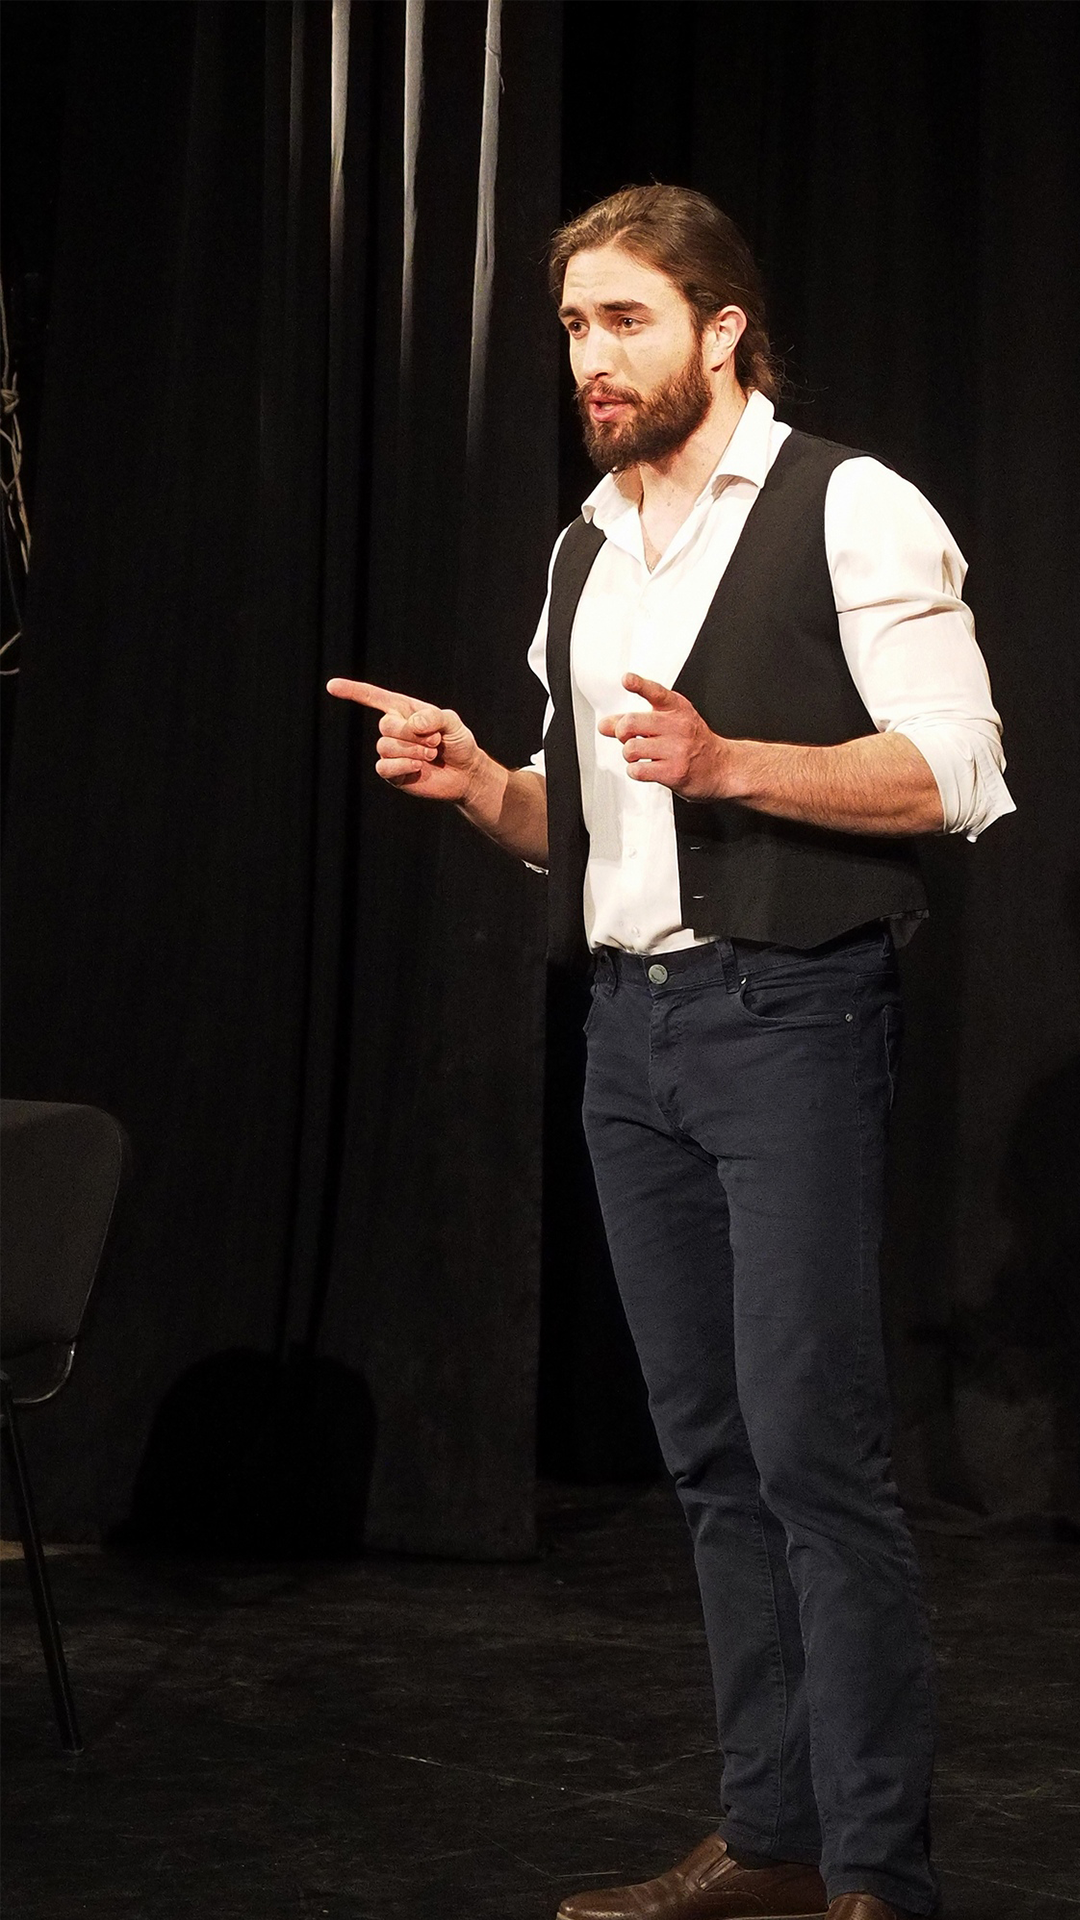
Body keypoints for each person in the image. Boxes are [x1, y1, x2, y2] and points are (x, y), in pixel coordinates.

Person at [328, 185, 1013, 1920]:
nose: (593, 355)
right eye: (574, 325)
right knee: (708, 1458)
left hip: (791, 1021)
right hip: (628, 1038)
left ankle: (877, 1872)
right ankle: (772, 1840)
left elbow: (956, 773)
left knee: (813, 1456)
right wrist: (483, 787)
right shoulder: (585, 545)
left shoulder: (851, 505)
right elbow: (583, 826)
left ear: (723, 328)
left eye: (626, 319)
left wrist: (734, 764)